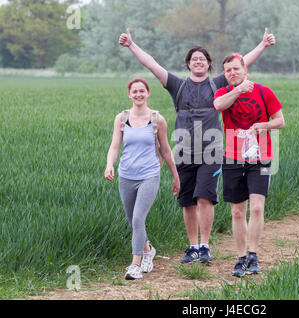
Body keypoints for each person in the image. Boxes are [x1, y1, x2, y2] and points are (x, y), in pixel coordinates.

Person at [118, 28, 276, 264]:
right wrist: (131, 45)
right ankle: (192, 247)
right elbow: (152, 64)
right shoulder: (177, 86)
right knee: (188, 200)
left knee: (205, 197)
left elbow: (240, 63)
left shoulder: (218, 83)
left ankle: (204, 246)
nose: (198, 62)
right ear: (188, 65)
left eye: (202, 59)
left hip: (211, 151)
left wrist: (262, 45)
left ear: (209, 64)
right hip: (183, 150)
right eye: (194, 59)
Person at [213, 53, 285, 277]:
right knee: (237, 212)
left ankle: (253, 256)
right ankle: (240, 257)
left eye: (236, 69)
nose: (232, 73)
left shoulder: (264, 92)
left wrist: (264, 125)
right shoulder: (224, 92)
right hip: (233, 157)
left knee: (256, 207)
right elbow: (217, 106)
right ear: (225, 75)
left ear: (245, 70)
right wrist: (238, 90)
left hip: (261, 157)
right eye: (228, 71)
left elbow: (280, 121)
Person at [104, 78, 180, 280]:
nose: (138, 94)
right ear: (129, 94)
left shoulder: (157, 119)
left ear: (148, 93)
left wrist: (175, 176)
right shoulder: (121, 118)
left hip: (149, 175)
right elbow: (114, 146)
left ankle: (135, 264)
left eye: (142, 91)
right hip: (126, 175)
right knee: (132, 221)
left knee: (138, 218)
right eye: (134, 91)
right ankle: (148, 249)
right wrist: (109, 164)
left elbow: (165, 150)